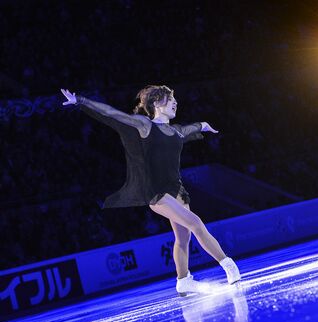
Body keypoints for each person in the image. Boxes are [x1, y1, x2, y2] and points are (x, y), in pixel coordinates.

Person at [60, 86, 241, 296]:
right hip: (157, 193)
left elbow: (188, 129)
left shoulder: (175, 131)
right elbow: (112, 113)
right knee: (196, 223)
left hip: (177, 190)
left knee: (183, 239)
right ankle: (228, 265)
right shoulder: (146, 125)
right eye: (170, 99)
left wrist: (203, 125)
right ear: (156, 104)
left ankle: (183, 281)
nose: (175, 102)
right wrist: (80, 101)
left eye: (175, 99)